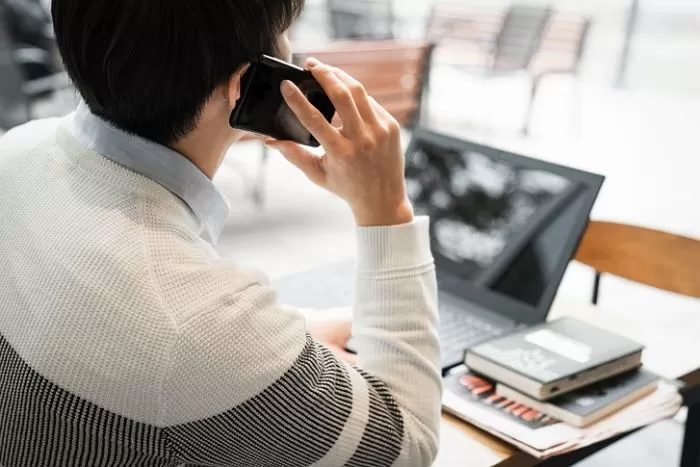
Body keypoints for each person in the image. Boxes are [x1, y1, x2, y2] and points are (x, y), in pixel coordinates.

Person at [0, 0, 441, 466]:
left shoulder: (18, 151)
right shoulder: (190, 324)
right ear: (246, 86)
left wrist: (280, 347)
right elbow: (405, 445)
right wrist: (385, 207)